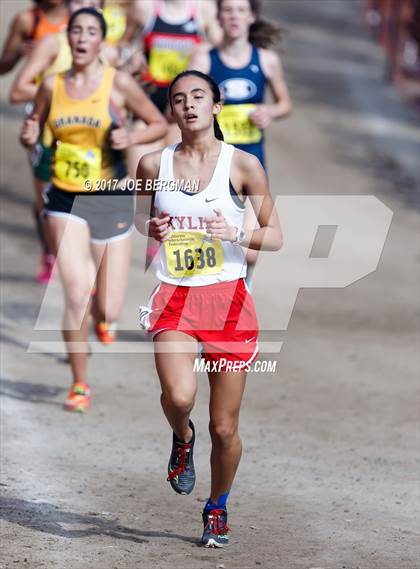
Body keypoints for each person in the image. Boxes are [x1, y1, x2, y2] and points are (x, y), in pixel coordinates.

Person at [135, 70, 282, 546]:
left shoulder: (243, 166)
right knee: (179, 397)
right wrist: (152, 231)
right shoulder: (151, 164)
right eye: (179, 100)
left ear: (216, 106)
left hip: (228, 301)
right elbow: (142, 218)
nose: (189, 105)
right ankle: (182, 437)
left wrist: (236, 233)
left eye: (199, 96)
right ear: (172, 111)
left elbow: (275, 235)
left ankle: (217, 506)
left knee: (224, 427)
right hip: (175, 295)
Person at [20, 7, 167, 412]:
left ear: (102, 42)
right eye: (77, 32)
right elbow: (33, 130)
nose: (83, 38)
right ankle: (80, 383)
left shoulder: (117, 84)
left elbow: (157, 123)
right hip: (64, 198)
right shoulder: (51, 85)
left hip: (110, 196)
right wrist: (28, 134)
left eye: (91, 32)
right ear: (69, 40)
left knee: (107, 307)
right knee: (74, 292)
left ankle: (104, 318)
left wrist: (131, 134)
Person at [10, 0, 115, 285]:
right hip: (50, 134)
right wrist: (64, 93)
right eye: (79, 1)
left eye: (93, 3)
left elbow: (123, 97)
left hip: (93, 140)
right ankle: (51, 253)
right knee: (47, 203)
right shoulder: (51, 44)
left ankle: (84, 268)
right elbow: (18, 89)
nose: (85, 6)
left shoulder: (110, 51)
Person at [0, 0, 68, 75]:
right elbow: (2, 67)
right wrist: (18, 53)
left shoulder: (76, 17)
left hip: (71, 84)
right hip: (37, 84)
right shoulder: (27, 19)